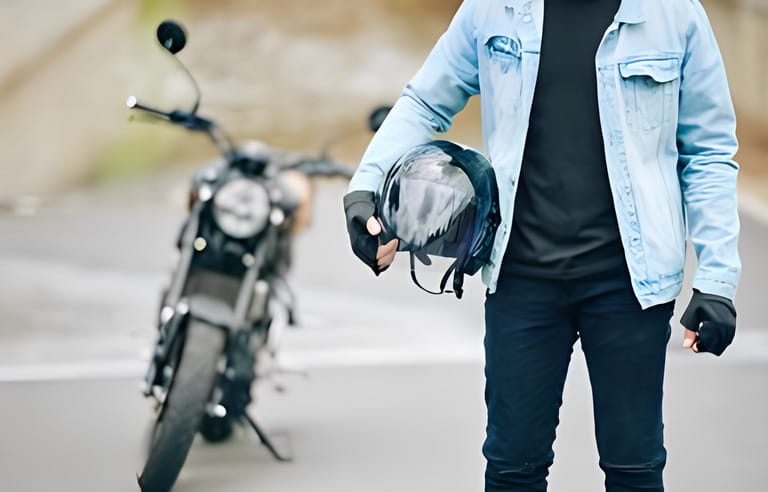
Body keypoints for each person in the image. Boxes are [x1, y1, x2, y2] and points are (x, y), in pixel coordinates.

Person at [343, 0, 739, 490]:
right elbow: (426, 101)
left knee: (635, 469)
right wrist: (366, 187)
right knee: (513, 470)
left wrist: (717, 280)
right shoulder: (492, 9)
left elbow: (708, 152)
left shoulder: (673, 13)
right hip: (521, 279)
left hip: (631, 286)